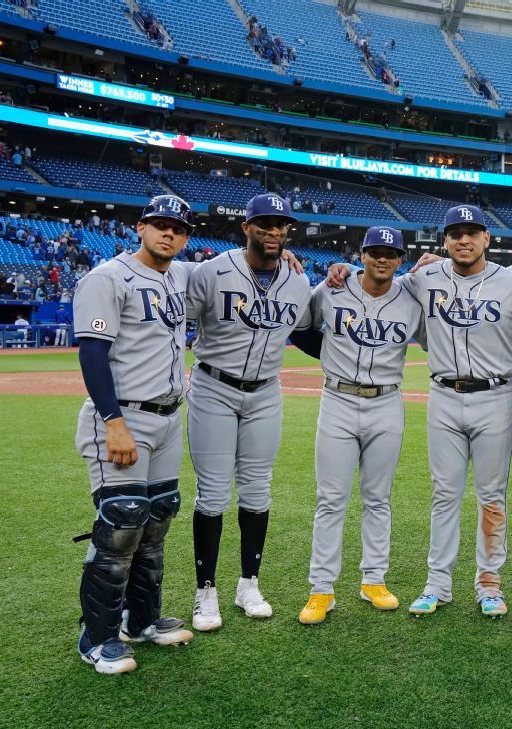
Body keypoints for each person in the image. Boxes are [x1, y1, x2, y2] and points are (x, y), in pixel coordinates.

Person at [72, 195, 197, 674]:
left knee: (157, 520)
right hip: (124, 418)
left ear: (186, 237)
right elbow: (92, 354)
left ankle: (141, 619)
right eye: (160, 225)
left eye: (178, 228)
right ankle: (97, 637)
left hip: (168, 417)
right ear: (140, 227)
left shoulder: (178, 276)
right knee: (121, 525)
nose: (168, 234)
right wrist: (113, 422)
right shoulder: (107, 277)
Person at [185, 193, 314, 633]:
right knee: (213, 494)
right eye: (264, 224)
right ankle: (206, 591)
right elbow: (172, 314)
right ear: (247, 227)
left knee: (258, 491)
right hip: (213, 387)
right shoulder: (211, 272)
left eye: (280, 225)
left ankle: (248, 584)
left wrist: (343, 270)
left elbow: (309, 332)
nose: (273, 231)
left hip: (265, 392)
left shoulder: (298, 280)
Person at [399, 204, 512, 618]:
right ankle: (437, 583)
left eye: (472, 232)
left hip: (495, 396)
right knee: (445, 494)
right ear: (444, 241)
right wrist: (338, 272)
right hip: (442, 394)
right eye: (455, 232)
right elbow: (376, 281)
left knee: (492, 496)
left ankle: (489, 583)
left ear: (487, 239)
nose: (463, 239)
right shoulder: (423, 278)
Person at [293, 227, 423, 624]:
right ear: (362, 255)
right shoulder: (332, 288)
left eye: (391, 253)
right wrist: (332, 351)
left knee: (378, 498)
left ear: (401, 259)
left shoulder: (413, 298)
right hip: (338, 399)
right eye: (375, 252)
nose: (383, 259)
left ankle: (373, 580)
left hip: (386, 401)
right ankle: (321, 589)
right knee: (330, 499)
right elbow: (300, 329)